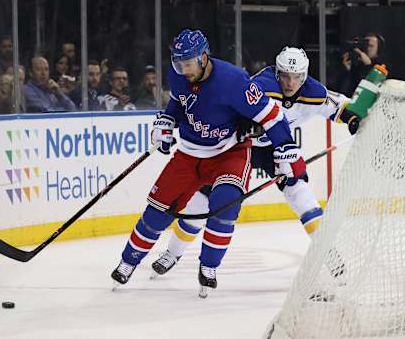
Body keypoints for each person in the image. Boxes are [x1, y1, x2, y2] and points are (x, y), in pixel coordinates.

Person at [110, 30, 306, 297]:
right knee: (158, 211)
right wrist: (167, 122)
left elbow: (272, 115)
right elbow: (179, 104)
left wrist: (284, 149)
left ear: (203, 57)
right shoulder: (177, 74)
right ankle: (128, 261)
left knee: (225, 206)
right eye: (178, 63)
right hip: (190, 153)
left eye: (187, 63)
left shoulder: (234, 80)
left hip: (229, 152)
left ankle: (209, 267)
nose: (182, 69)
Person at [150, 46, 360, 279]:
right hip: (239, 147)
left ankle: (327, 252)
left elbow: (340, 107)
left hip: (276, 149)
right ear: (276, 71)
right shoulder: (261, 84)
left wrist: (352, 118)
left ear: (305, 74)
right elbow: (230, 106)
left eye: (297, 77)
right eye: (285, 76)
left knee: (300, 193)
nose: (290, 83)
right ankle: (172, 253)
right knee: (201, 201)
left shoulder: (313, 91)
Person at [337, 32, 386, 97]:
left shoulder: (383, 67)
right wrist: (347, 70)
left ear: (378, 50)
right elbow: (343, 92)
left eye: (371, 46)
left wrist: (368, 66)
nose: (367, 48)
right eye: (365, 45)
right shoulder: (355, 66)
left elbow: (373, 90)